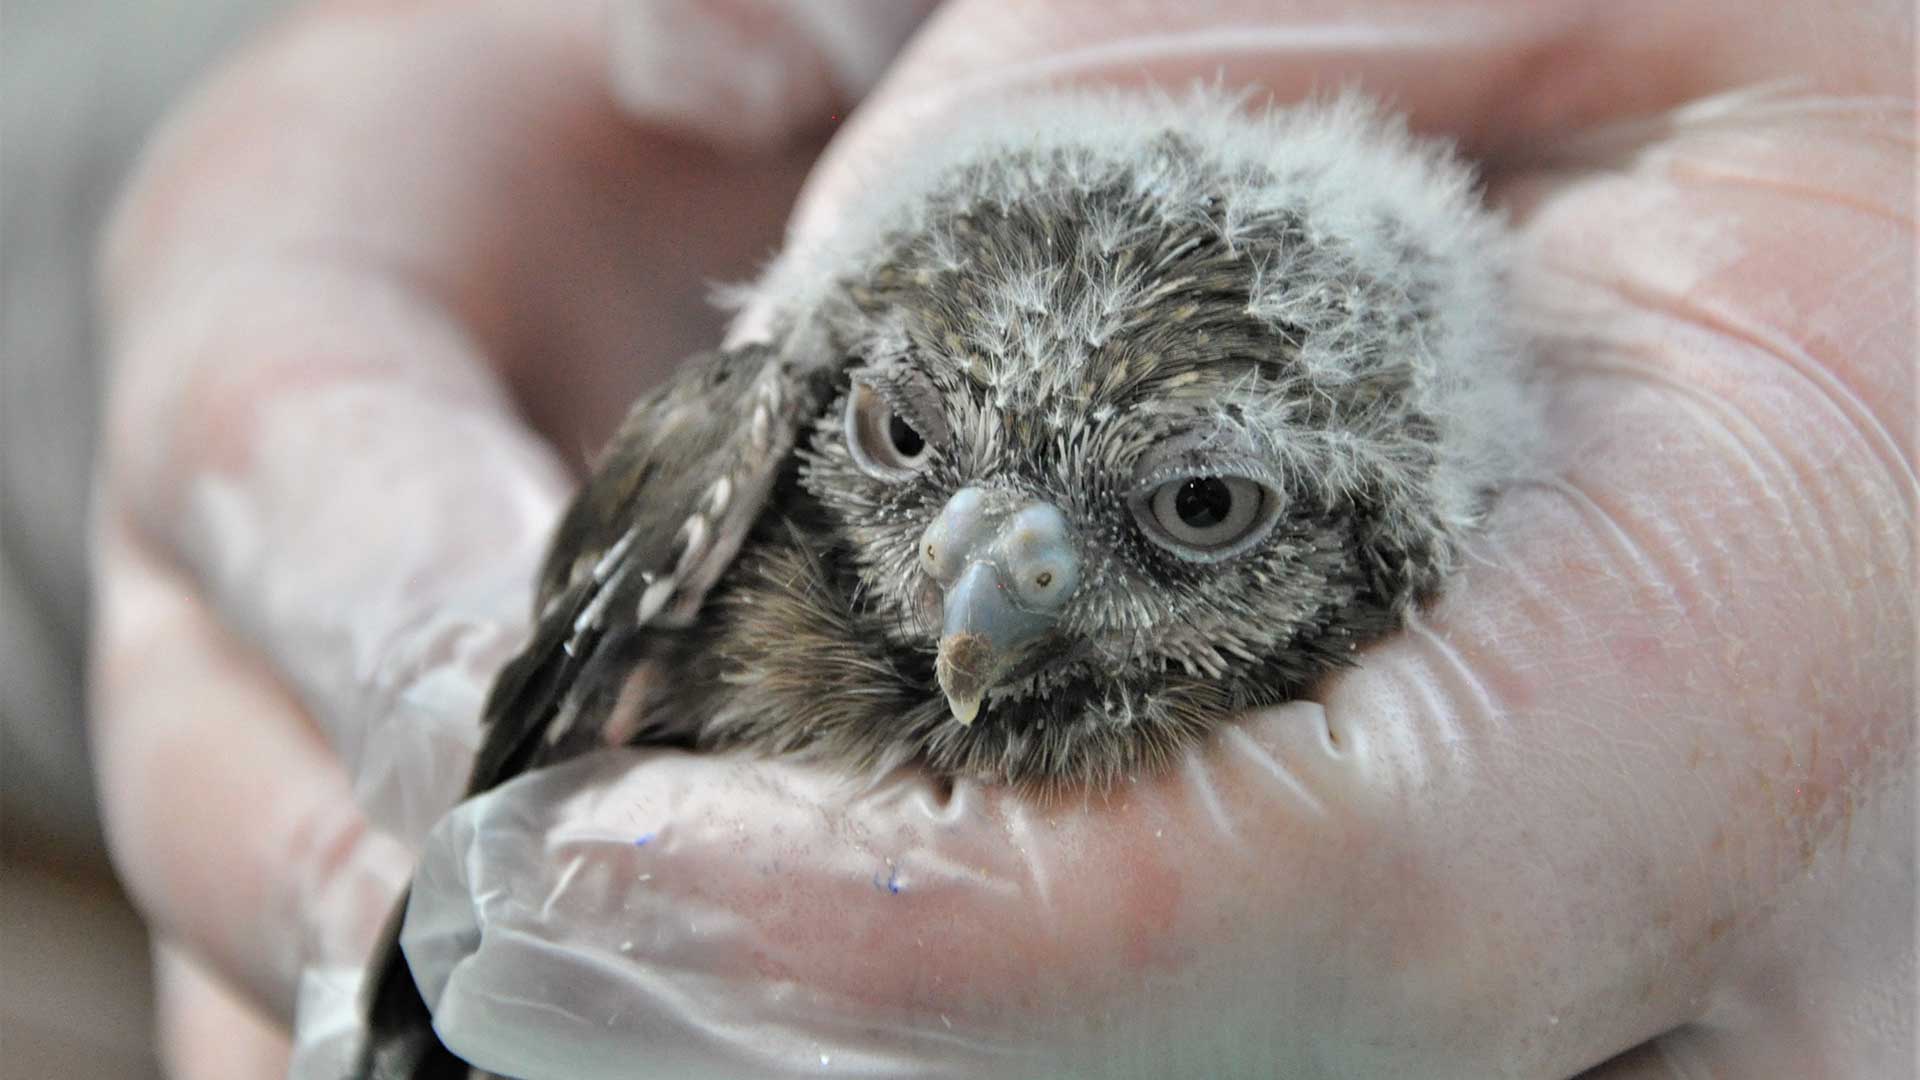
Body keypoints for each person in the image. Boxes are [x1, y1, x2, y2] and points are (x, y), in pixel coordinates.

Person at [89, 1, 1914, 1076]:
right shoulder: (761, 452)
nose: (987, 573)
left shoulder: (1485, 598)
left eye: (1201, 508)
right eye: (898, 441)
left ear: (1385, 548)